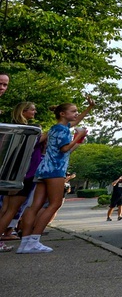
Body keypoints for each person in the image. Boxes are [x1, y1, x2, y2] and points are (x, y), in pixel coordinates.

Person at [15, 97, 94, 254]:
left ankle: (25, 242)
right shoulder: (64, 130)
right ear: (63, 114)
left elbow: (76, 122)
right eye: (73, 111)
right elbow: (64, 149)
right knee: (55, 204)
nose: (76, 114)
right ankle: (34, 239)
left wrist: (89, 108)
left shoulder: (54, 128)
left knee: (34, 206)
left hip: (43, 169)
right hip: (55, 170)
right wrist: (78, 137)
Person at [0, 102, 46, 252]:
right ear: (24, 111)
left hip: (13, 172)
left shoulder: (14, 128)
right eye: (32, 109)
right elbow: (33, 144)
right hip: (25, 173)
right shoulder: (28, 131)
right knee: (12, 210)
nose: (35, 111)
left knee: (5, 209)